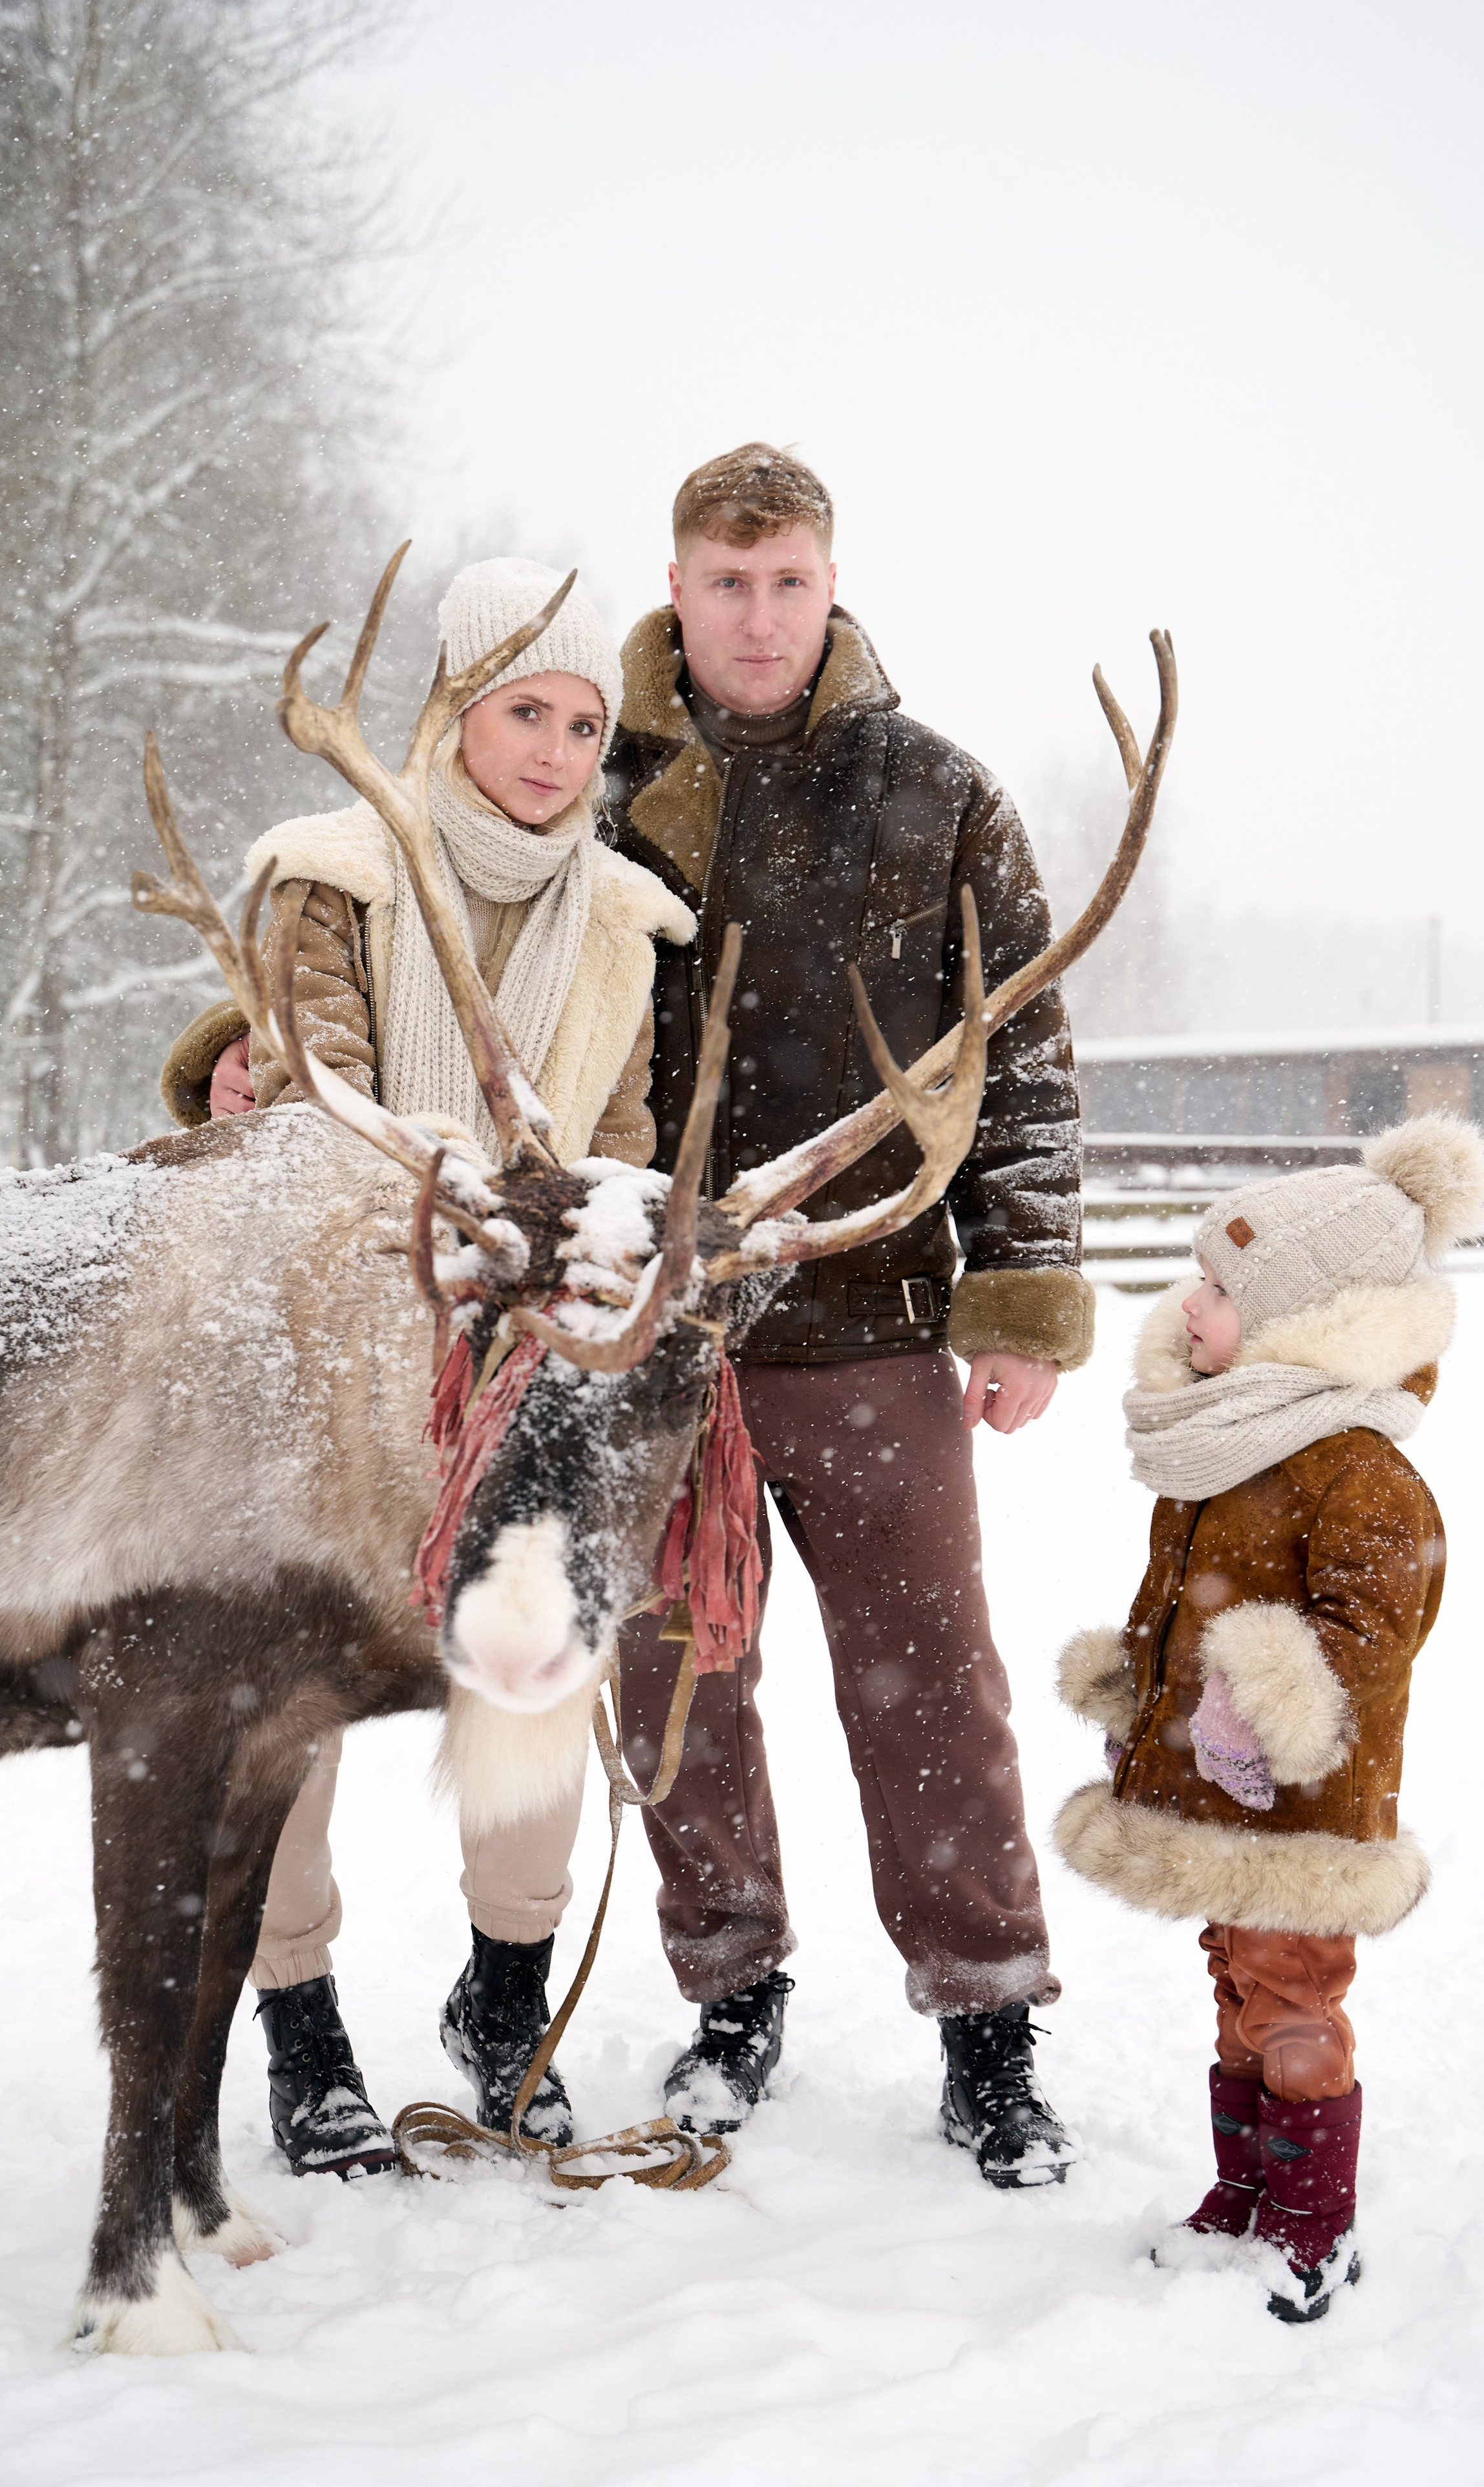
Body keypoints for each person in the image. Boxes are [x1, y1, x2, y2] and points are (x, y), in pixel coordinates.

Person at [159, 557, 695, 2174]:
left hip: (522, 1357)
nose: (554, 750)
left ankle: (504, 1995)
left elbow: (619, 1152)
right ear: (457, 710)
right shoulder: (336, 874)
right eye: (523, 710)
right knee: (286, 1691)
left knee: (535, 1657)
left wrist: (583, 1265)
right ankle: (301, 2023)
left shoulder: (624, 922)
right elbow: (311, 1086)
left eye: (586, 723)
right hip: (320, 1349)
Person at [599, 443, 1095, 2185]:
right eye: (726, 583)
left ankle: (988, 2020)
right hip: (656, 1341)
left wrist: (1021, 1289)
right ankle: (730, 1996)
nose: (758, 613)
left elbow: (1021, 1059)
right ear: (679, 587)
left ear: (831, 583)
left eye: (788, 579)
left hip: (874, 1324)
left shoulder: (932, 792)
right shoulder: (596, 780)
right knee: (676, 1693)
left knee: (930, 1690)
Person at [1054, 1114, 1479, 2319]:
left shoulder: (1360, 1469)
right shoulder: (1230, 1444)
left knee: (1295, 2003)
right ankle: (1242, 2194)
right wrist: (1138, 1689)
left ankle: (1311, 2223)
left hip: (1305, 1804)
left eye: (1222, 1289)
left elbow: (1377, 1634)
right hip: (1210, 1788)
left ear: (1299, 1321)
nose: (1191, 1305)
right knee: (1239, 1987)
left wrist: (1267, 1696)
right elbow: (1173, 1606)